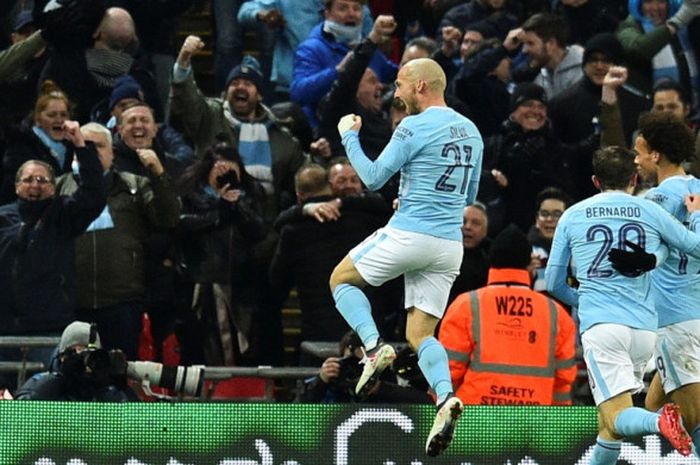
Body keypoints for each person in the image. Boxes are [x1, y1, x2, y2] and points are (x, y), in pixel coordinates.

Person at [330, 57, 484, 457]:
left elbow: (374, 177)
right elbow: (467, 198)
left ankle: (372, 344)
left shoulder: (413, 125)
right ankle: (446, 397)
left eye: (399, 86)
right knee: (421, 335)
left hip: (411, 231)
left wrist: (349, 137)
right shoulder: (472, 131)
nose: (395, 94)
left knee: (341, 280)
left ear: (420, 86)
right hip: (449, 244)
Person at [545, 145, 700, 463]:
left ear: (595, 180)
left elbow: (554, 283)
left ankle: (660, 422)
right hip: (644, 333)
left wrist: (582, 299)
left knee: (617, 417)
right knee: (609, 428)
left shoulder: (573, 215)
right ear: (633, 177)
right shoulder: (649, 210)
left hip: (604, 328)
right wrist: (695, 217)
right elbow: (693, 246)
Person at [55, 122, 180, 360]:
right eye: (85, 145)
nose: (91, 152)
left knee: (120, 371)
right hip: (72, 301)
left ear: (112, 152)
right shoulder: (60, 186)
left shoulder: (134, 185)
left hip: (122, 301)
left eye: (98, 146)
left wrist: (159, 174)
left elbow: (169, 218)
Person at [0, 121, 106, 389]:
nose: (35, 185)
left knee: (43, 396)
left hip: (49, 328)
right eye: (28, 179)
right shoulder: (2, 219)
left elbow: (94, 194)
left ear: (53, 186)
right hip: (4, 329)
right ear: (16, 186)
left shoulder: (63, 214)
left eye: (42, 180)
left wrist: (81, 147)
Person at [440, 224, 577, 405]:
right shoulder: (555, 313)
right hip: (534, 420)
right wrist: (557, 420)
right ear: (528, 262)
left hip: (474, 419)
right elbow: (564, 378)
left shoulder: (466, 306)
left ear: (492, 258)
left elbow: (446, 371)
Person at [270, 164, 395, 358]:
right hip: (368, 327)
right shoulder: (369, 221)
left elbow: (277, 285)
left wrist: (301, 211)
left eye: (354, 180)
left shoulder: (293, 229)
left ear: (298, 194)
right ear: (330, 185)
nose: (349, 186)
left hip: (318, 331)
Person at [631, 111, 700, 456]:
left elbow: (643, 252)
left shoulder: (656, 199)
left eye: (639, 152)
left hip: (675, 321)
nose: (636, 160)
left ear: (655, 155)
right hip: (695, 313)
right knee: (650, 415)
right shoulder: (698, 190)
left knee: (691, 422)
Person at [175, 143, 266, 366]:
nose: (224, 172)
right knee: (206, 351)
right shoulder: (191, 196)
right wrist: (220, 209)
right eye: (218, 166)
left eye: (229, 166)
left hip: (242, 287)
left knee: (245, 351)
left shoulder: (251, 195)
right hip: (203, 284)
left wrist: (235, 206)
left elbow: (258, 231)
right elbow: (183, 227)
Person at [291, 0, 398, 127]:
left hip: (368, 130)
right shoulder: (312, 48)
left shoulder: (368, 48)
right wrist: (337, 71)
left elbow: (393, 75)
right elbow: (298, 93)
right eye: (343, 8)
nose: (351, 14)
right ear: (327, 13)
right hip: (326, 132)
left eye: (356, 9)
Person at [302, 330, 432, 403]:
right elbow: (297, 413)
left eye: (366, 365)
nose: (359, 370)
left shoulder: (388, 379)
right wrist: (321, 382)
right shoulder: (332, 381)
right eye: (351, 361)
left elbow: (428, 403)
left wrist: (380, 388)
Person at [14, 321, 132, 401]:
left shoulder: (106, 391)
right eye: (77, 352)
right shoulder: (41, 385)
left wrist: (117, 381)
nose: (84, 361)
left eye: (89, 354)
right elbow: (19, 417)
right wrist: (59, 380)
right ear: (62, 356)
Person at [616, 0, 700, 112]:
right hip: (651, 110)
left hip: (691, 108)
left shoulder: (687, 22)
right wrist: (676, 23)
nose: (655, 8)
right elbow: (639, 49)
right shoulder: (629, 26)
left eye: (661, 1)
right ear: (638, 4)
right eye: (648, 2)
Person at [1, 80, 74, 205]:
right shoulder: (21, 148)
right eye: (51, 115)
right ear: (38, 120)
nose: (59, 120)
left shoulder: (75, 147)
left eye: (64, 115)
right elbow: (10, 194)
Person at [519, 12, 584, 99]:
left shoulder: (583, 73)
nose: (524, 50)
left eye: (530, 43)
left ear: (551, 43)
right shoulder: (540, 79)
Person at [528, 187, 572, 292]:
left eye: (557, 214)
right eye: (544, 213)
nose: (549, 219)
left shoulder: (578, 252)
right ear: (537, 219)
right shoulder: (525, 253)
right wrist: (525, 274)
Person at [448, 202, 491, 303]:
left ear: (485, 231)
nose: (467, 227)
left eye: (475, 223)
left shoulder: (493, 259)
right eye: (463, 221)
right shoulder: (440, 253)